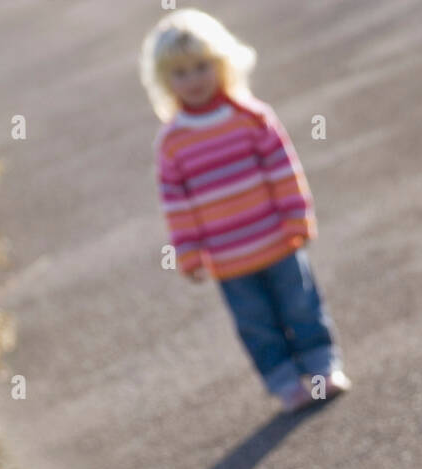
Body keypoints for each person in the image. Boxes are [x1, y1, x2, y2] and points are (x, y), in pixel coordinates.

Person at [139, 8, 350, 413]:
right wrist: (188, 252)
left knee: (302, 305)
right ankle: (285, 381)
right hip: (227, 257)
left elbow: (284, 171)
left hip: (278, 239)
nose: (194, 79)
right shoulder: (172, 142)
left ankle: (323, 368)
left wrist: (298, 217)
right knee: (256, 323)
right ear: (165, 83)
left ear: (223, 64)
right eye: (180, 72)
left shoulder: (252, 118)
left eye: (202, 66)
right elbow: (176, 204)